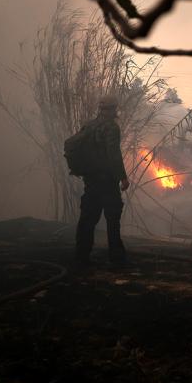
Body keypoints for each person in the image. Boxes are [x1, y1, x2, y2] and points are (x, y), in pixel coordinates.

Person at [75, 94, 130, 266]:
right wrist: (123, 177)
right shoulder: (111, 128)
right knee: (112, 218)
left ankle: (82, 256)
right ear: (114, 109)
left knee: (88, 218)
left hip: (90, 180)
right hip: (107, 181)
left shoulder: (88, 126)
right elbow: (113, 154)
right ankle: (116, 257)